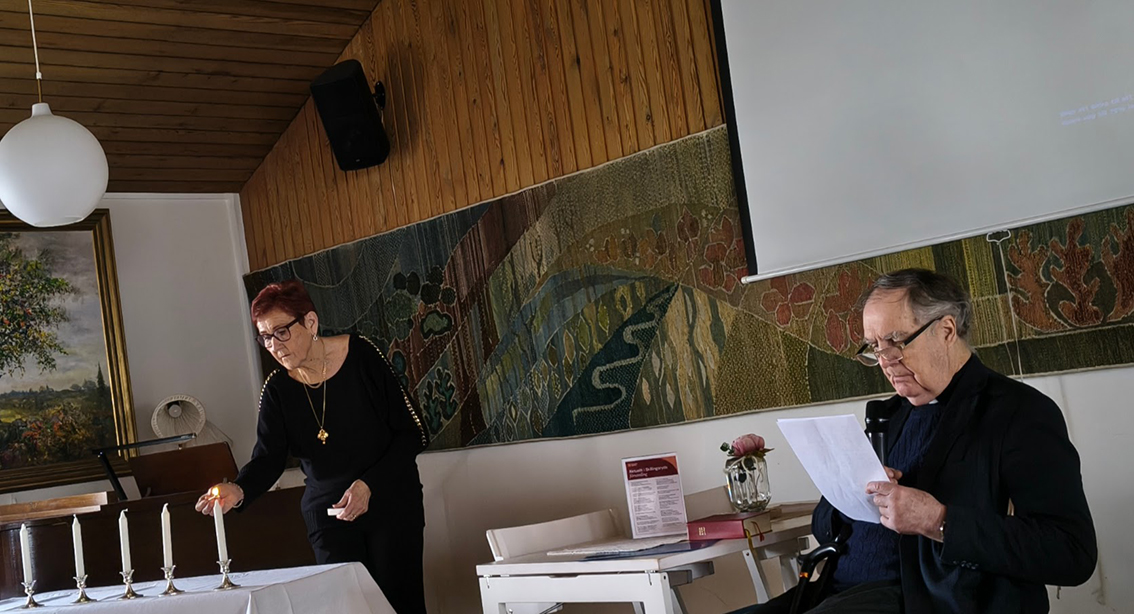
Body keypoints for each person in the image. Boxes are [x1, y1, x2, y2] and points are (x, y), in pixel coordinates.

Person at [734, 268, 1096, 613]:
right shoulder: (888, 415)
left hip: (926, 600)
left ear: (947, 330)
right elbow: (825, 525)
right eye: (875, 347)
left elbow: (1071, 552)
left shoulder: (1018, 412)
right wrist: (850, 495)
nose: (886, 361)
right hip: (832, 588)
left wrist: (938, 521)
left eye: (896, 341)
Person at [195, 279, 429, 614]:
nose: (274, 345)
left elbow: (413, 434)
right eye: (265, 337)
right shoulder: (277, 390)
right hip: (328, 516)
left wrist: (367, 485)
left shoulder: (362, 356)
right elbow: (269, 458)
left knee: (399, 606)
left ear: (310, 322)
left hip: (390, 503)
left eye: (281, 332)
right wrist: (238, 488)